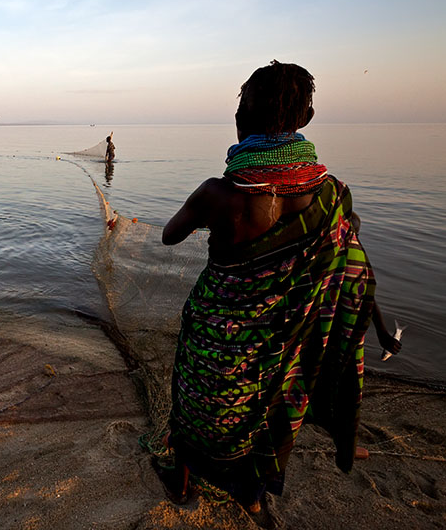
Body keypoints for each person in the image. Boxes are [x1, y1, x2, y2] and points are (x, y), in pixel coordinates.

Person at [156, 61, 401, 513]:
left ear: (243, 116)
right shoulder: (331, 196)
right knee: (267, 410)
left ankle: (184, 483)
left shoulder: (218, 192)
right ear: (304, 120)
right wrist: (381, 329)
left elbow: (170, 235)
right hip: (282, 340)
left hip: (214, 333)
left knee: (194, 403)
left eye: (240, 105)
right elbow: (356, 272)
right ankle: (250, 495)